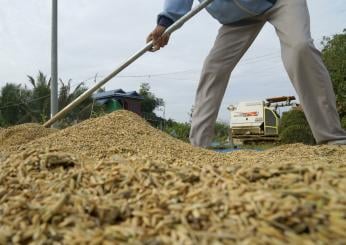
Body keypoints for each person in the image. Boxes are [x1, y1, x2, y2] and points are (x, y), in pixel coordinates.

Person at [147, 0, 346, 147]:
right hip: (238, 20)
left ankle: (333, 138)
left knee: (300, 47)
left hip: (280, 2)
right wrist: (165, 25)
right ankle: (197, 147)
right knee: (213, 69)